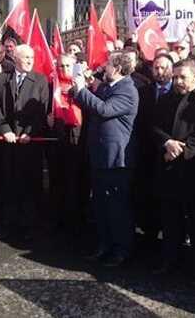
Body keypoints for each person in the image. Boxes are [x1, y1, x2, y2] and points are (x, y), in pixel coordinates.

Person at [151, 60, 195, 281]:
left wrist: (181, 150)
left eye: (182, 77)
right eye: (175, 77)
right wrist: (166, 143)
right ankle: (170, 261)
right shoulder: (165, 100)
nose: (177, 81)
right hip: (169, 168)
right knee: (170, 221)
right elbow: (153, 126)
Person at [73, 52, 139, 267]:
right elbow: (89, 104)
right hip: (100, 155)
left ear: (118, 68)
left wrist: (83, 89)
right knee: (100, 204)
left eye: (108, 64)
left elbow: (104, 109)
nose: (103, 66)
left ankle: (122, 249)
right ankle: (104, 244)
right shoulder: (107, 87)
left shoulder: (128, 90)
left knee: (117, 206)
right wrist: (84, 87)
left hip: (116, 159)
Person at [0, 44, 49, 240]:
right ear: (15, 58)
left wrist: (29, 133)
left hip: (29, 144)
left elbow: (42, 110)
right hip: (7, 143)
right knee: (7, 183)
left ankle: (29, 225)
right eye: (26, 57)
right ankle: (7, 224)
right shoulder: (1, 79)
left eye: (32, 57)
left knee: (30, 185)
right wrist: (5, 130)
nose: (30, 60)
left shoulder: (40, 81)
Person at [46, 54, 89, 243]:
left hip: (77, 139)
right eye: (61, 65)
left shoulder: (82, 85)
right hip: (57, 137)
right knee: (57, 181)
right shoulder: (51, 86)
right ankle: (57, 219)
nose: (64, 69)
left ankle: (76, 223)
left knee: (75, 182)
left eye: (68, 65)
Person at [135, 54, 174, 247]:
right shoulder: (144, 91)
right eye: (156, 68)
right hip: (147, 152)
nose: (159, 72)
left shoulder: (177, 91)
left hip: (170, 154)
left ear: (171, 69)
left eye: (163, 68)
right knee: (148, 196)